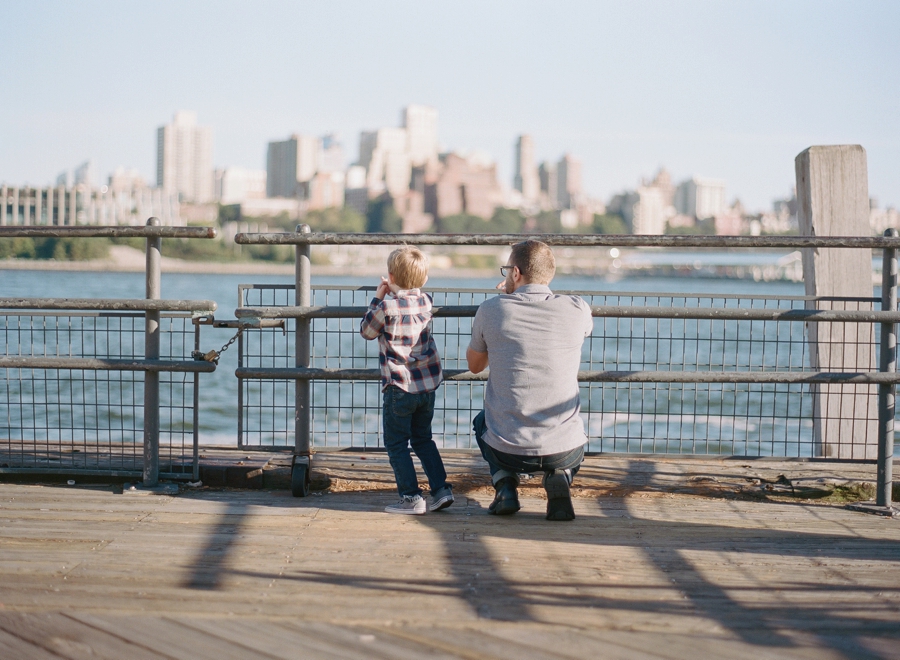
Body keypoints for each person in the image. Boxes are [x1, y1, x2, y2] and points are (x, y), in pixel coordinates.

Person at [467, 239, 593, 521]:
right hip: (565, 449)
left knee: (481, 421)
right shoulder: (577, 308)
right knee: (568, 432)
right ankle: (560, 475)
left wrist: (503, 304)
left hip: (507, 449)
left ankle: (505, 486)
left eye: (507, 270)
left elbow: (474, 366)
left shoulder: (491, 310)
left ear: (515, 273)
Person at [360, 245, 454, 515]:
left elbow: (367, 331)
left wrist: (378, 298)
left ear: (389, 277)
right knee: (423, 439)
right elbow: (413, 296)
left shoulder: (387, 307)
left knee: (396, 443)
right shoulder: (426, 301)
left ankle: (412, 498)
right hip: (427, 385)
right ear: (424, 280)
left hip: (399, 386)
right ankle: (441, 490)